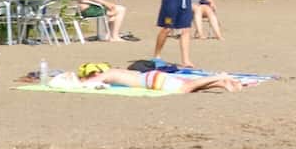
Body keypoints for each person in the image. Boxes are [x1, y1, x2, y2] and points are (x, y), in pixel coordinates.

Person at [21, 62, 243, 94]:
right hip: (151, 77)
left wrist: (66, 80)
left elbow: (84, 86)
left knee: (185, 88)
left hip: (151, 81)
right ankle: (221, 83)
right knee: (189, 86)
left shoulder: (108, 75)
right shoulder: (115, 71)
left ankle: (220, 76)